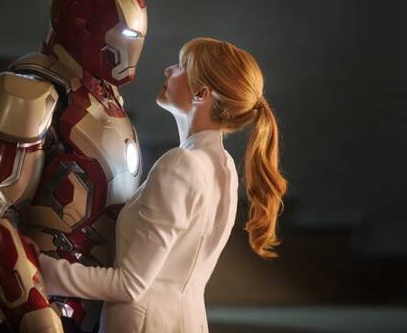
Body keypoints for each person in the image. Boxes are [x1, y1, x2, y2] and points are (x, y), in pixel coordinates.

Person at [38, 37, 288, 332]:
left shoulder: (181, 164)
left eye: (181, 66)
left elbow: (128, 284)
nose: (168, 70)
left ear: (201, 94)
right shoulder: (224, 167)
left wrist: (38, 267)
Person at [0, 0, 148, 333]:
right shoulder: (31, 93)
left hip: (103, 310)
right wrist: (31, 309)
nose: (132, 47)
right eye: (126, 35)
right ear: (85, 25)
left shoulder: (108, 101)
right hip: (44, 306)